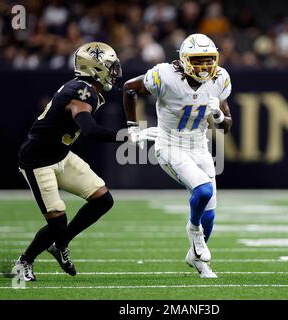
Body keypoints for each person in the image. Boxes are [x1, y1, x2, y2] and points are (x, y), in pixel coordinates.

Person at [14, 42, 146, 281]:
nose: (114, 72)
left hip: (60, 154)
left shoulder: (86, 89)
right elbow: (90, 130)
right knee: (58, 224)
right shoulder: (82, 91)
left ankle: (60, 244)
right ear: (94, 67)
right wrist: (126, 136)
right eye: (110, 67)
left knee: (102, 199)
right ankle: (24, 261)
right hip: (38, 160)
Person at [123, 33, 233, 278]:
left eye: (208, 60)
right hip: (170, 145)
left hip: (200, 147)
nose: (204, 66)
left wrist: (217, 116)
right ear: (184, 60)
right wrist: (132, 126)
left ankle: (196, 259)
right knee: (203, 191)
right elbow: (129, 88)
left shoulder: (220, 78)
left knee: (211, 214)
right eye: (198, 60)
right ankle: (193, 232)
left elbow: (227, 126)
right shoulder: (165, 76)